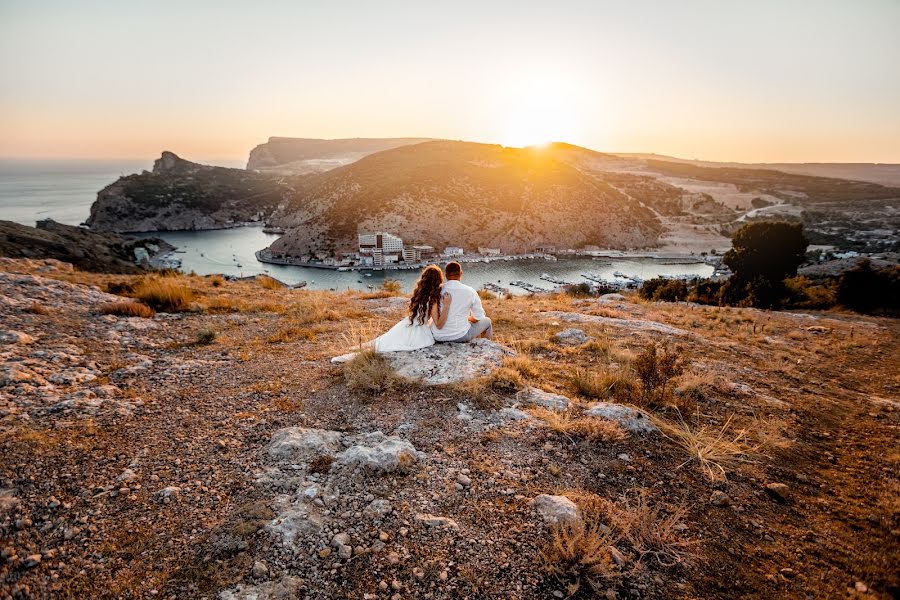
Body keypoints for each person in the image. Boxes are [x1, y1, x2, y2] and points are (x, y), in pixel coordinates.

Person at [370, 264, 451, 352]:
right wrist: (446, 305)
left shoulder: (419, 293)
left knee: (383, 343)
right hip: (419, 331)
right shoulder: (433, 298)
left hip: (406, 324)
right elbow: (438, 324)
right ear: (438, 280)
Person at [431, 261, 492, 343]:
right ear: (461, 273)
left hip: (437, 336)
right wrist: (466, 318)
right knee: (487, 321)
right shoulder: (470, 291)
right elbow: (479, 317)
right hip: (460, 336)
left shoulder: (437, 290)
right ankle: (485, 347)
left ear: (446, 275)